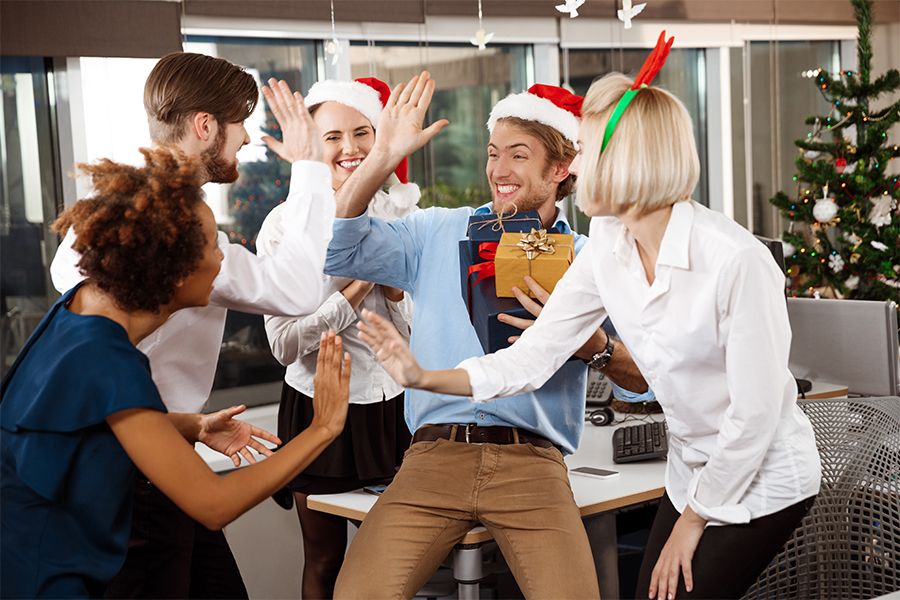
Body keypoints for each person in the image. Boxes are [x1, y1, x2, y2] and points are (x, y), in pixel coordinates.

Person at [357, 39, 822, 600]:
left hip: (764, 475)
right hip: (692, 467)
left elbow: (755, 416)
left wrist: (693, 523)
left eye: (584, 149)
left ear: (630, 160)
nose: (571, 168)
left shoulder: (736, 262)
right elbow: (534, 355)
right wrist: (424, 377)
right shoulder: (607, 242)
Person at [48, 53, 438, 599]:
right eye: (240, 124)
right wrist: (305, 165)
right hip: (128, 473)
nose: (247, 138)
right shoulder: (173, 235)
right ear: (205, 125)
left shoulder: (120, 211)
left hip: (160, 441)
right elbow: (297, 292)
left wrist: (189, 425)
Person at [324, 73, 650, 598]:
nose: (499, 170)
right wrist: (382, 154)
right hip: (432, 458)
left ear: (561, 168)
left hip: (534, 465)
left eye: (518, 156)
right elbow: (343, 249)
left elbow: (644, 381)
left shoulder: (593, 259)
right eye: (493, 153)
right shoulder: (435, 230)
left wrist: (592, 346)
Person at [0, 148, 352, 599]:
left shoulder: (75, 311)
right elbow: (213, 503)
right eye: (211, 246)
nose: (223, 260)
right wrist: (323, 428)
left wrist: (189, 426)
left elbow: (77, 423)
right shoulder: (108, 360)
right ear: (169, 267)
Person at [256, 77, 418, 599]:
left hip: (393, 409)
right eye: (332, 137)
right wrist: (354, 292)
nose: (349, 149)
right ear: (311, 145)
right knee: (325, 561)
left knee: (391, 569)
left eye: (362, 133)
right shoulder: (284, 226)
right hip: (315, 405)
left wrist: (394, 291)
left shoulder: (406, 219)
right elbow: (283, 346)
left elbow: (424, 332)